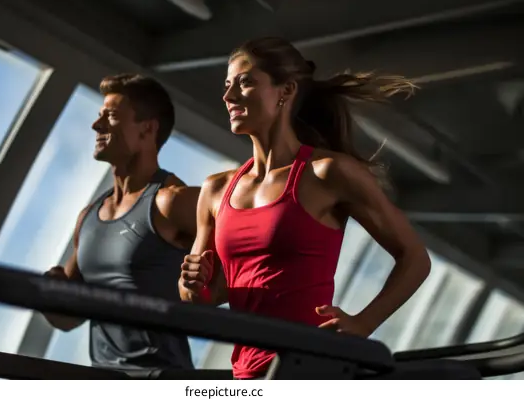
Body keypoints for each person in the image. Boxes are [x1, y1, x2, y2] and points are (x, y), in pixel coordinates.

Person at [178, 37, 432, 379]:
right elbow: (203, 299)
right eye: (227, 86)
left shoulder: (327, 172)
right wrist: (193, 285)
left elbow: (415, 258)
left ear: (285, 91)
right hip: (247, 375)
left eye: (245, 82)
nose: (229, 97)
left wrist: (363, 324)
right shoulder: (214, 190)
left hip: (312, 367)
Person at [42, 73, 199, 374]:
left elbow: (241, 265)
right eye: (99, 116)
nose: (96, 125)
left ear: (147, 129)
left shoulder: (172, 202)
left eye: (111, 116)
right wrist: (50, 292)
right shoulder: (88, 216)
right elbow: (68, 319)